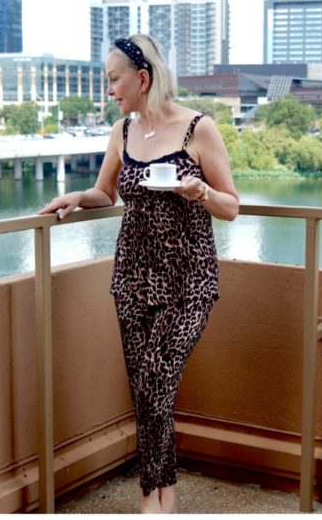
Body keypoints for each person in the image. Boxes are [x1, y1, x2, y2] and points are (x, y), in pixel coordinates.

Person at [39, 34, 239, 513]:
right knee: (143, 387)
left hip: (189, 281)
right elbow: (106, 193)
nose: (109, 89)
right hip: (131, 278)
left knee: (156, 380)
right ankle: (156, 495)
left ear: (142, 77)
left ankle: (161, 496)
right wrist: (76, 198)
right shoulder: (122, 131)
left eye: (114, 79)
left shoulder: (198, 128)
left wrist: (200, 194)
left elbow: (232, 206)